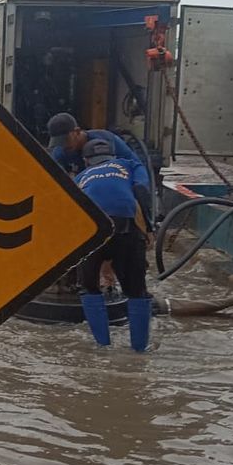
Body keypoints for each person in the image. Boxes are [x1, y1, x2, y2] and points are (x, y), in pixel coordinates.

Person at [74, 139, 154, 352]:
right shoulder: (129, 165)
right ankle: (140, 351)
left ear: (86, 161)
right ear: (113, 156)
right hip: (125, 229)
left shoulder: (81, 177)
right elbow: (141, 191)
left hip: (91, 231)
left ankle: (102, 348)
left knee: (90, 288)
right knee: (137, 292)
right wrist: (148, 228)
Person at [46, 112, 146, 181]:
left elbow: (136, 166)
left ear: (77, 131)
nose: (63, 146)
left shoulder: (105, 141)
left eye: (66, 140)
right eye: (59, 142)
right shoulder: (60, 151)